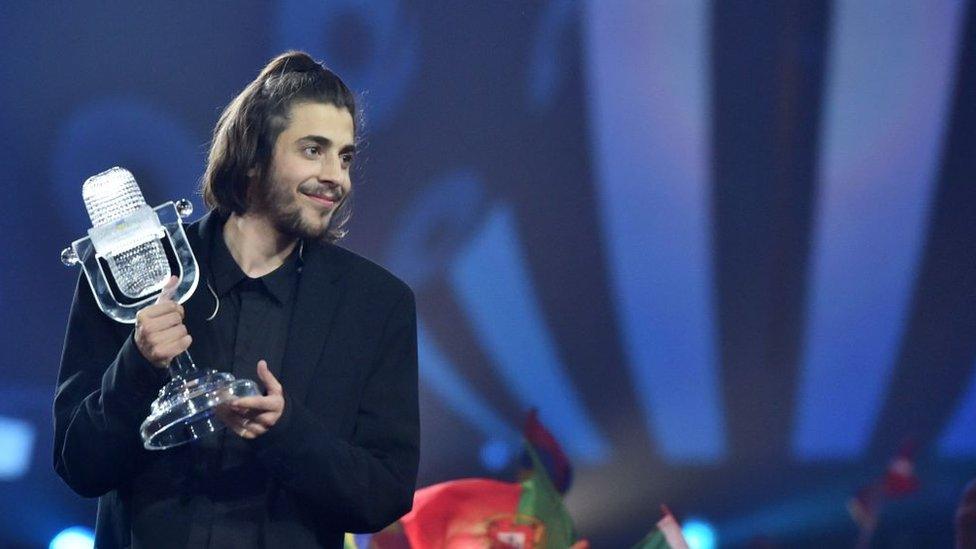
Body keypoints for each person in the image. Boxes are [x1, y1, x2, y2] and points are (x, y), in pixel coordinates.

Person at [53, 51, 420, 548]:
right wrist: (137, 366)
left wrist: (287, 431)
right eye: (314, 150)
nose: (338, 177)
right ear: (252, 156)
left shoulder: (377, 305)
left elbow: (383, 495)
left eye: (345, 156)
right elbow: (80, 466)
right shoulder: (134, 274)